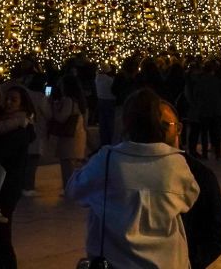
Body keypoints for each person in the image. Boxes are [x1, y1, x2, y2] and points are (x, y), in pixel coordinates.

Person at [68, 87, 200, 269]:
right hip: (167, 260)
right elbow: (189, 199)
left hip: (117, 261)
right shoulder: (175, 163)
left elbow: (76, 190)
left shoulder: (107, 159)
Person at [159, 99, 221, 269]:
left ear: (179, 128)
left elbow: (218, 230)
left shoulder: (198, 174)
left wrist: (190, 261)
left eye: (164, 125)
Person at [0, 85, 37, 269]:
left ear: (23, 104)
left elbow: (0, 154)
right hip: (7, 185)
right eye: (7, 98)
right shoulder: (14, 123)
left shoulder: (17, 126)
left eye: (14, 99)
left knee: (0, 236)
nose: (8, 102)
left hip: (7, 187)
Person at [48, 74, 87, 187]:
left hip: (69, 137)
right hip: (78, 134)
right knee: (73, 164)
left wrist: (54, 108)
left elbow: (61, 118)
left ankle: (69, 188)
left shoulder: (68, 100)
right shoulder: (79, 100)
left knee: (67, 165)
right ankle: (72, 187)